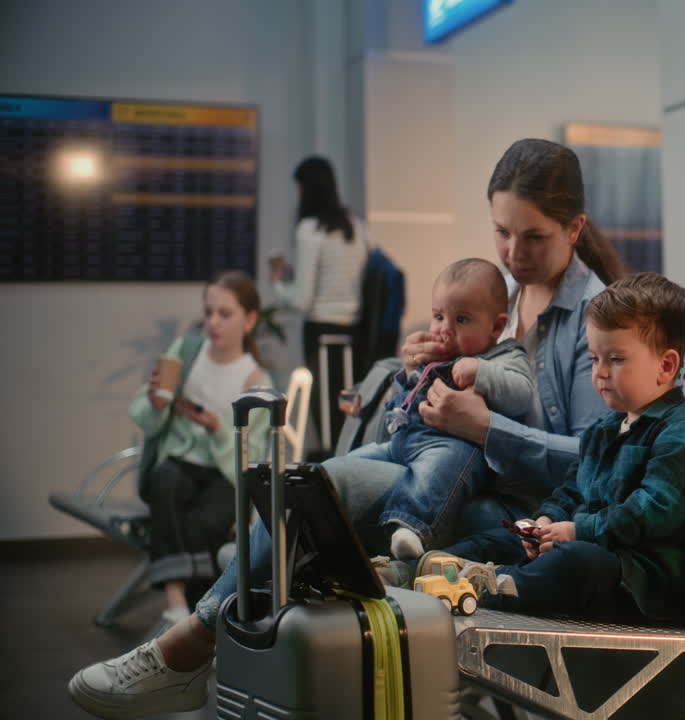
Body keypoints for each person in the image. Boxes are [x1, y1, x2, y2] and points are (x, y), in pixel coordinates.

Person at [67, 138, 627, 719]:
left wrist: (488, 431)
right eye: (501, 232)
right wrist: (420, 366)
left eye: (532, 235)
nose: (513, 251)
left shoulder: (598, 316)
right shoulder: (498, 295)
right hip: (448, 472)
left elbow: (600, 461)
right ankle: (196, 647)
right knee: (308, 488)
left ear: (575, 228)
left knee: (320, 512)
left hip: (519, 515)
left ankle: (187, 649)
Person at [416, 272, 685, 620]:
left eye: (616, 360)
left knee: (575, 561)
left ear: (665, 366)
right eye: (594, 359)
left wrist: (578, 531)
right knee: (508, 534)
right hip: (590, 553)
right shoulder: (604, 428)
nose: (600, 372)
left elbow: (651, 514)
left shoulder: (680, 434)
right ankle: (426, 573)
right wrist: (545, 521)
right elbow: (571, 490)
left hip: (636, 585)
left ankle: (487, 586)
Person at [354, 257, 534, 561]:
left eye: (461, 320)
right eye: (438, 316)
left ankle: (410, 528)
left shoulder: (505, 356)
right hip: (402, 441)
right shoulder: (434, 354)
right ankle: (325, 497)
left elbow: (522, 394)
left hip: (454, 447)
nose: (444, 330)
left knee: (435, 473)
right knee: (357, 462)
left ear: (497, 326)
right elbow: (407, 395)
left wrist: (480, 371)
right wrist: (410, 370)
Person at [132, 271, 272, 629]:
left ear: (250, 319)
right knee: (165, 481)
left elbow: (251, 457)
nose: (213, 322)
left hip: (224, 474)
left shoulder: (255, 381)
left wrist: (219, 429)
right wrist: (155, 404)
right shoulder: (185, 352)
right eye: (209, 312)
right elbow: (146, 419)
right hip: (179, 462)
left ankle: (195, 615)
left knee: (204, 523)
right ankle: (179, 604)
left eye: (225, 314)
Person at [271, 155, 369, 452]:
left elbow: (302, 300)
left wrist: (278, 283)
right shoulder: (356, 226)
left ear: (305, 189)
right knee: (348, 413)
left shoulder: (309, 230)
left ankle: (330, 479)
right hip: (355, 334)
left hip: (321, 331)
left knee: (325, 420)